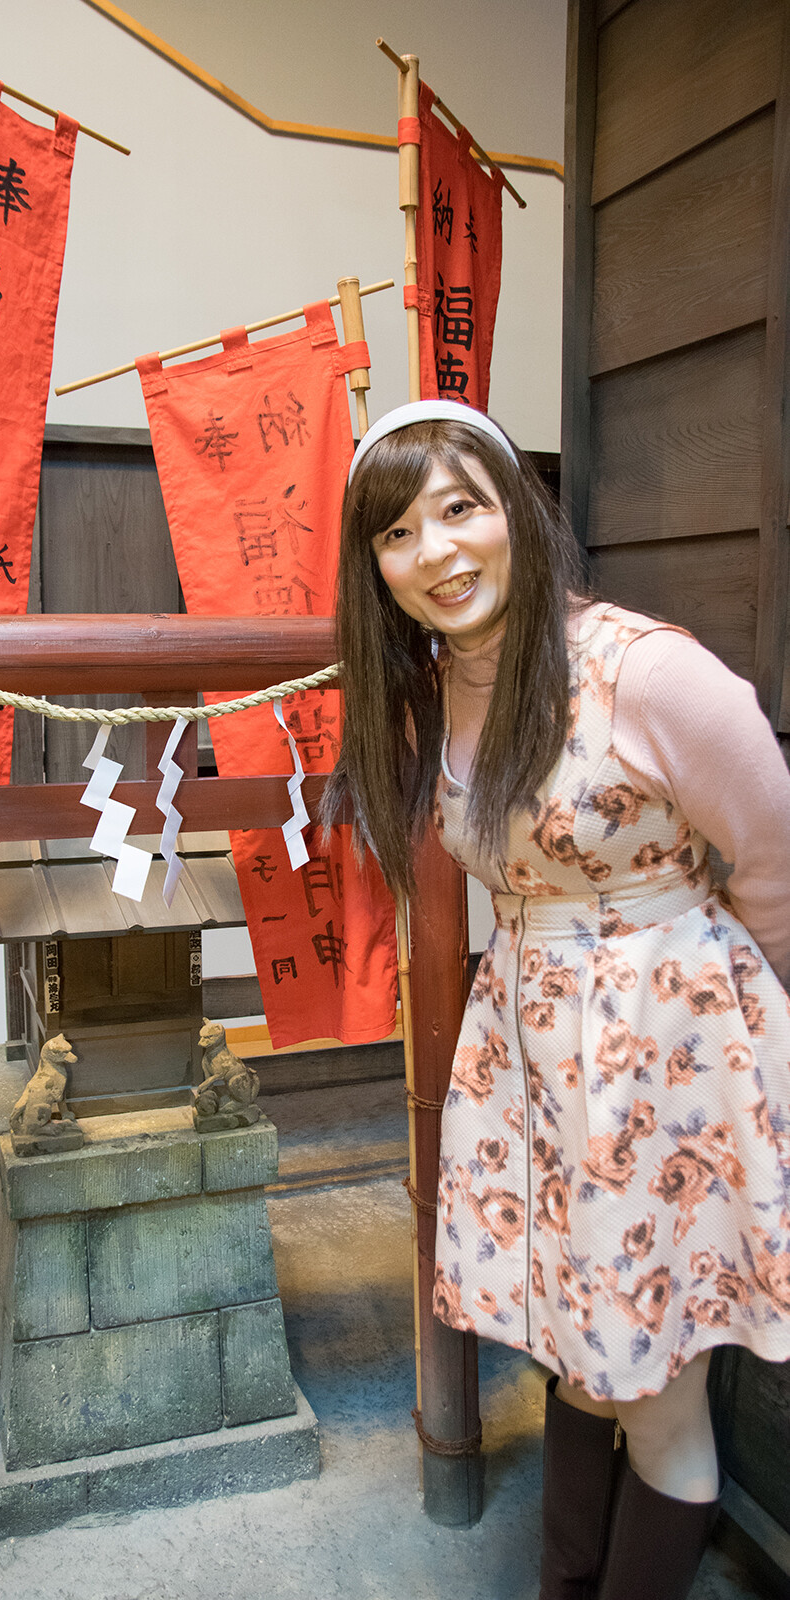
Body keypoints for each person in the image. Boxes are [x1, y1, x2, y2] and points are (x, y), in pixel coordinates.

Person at [324, 399, 790, 1600]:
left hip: (662, 1053)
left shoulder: (644, 669)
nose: (434, 551)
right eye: (396, 533)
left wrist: (755, 1054)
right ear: (374, 569)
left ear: (519, 515)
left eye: (459, 509)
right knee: (582, 1355)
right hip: (536, 1049)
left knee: (657, 1397)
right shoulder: (435, 683)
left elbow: (773, 855)